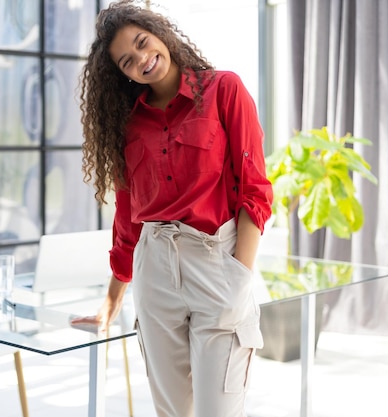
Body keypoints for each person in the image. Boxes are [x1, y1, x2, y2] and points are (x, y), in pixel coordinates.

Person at [72, 1, 273, 416]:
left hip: (216, 263)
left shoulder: (224, 90)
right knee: (172, 412)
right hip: (155, 272)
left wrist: (239, 275)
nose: (143, 60)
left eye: (143, 43)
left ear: (159, 32)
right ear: (122, 74)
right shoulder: (127, 125)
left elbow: (254, 191)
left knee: (219, 409)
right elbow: (128, 220)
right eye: (128, 60)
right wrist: (111, 301)